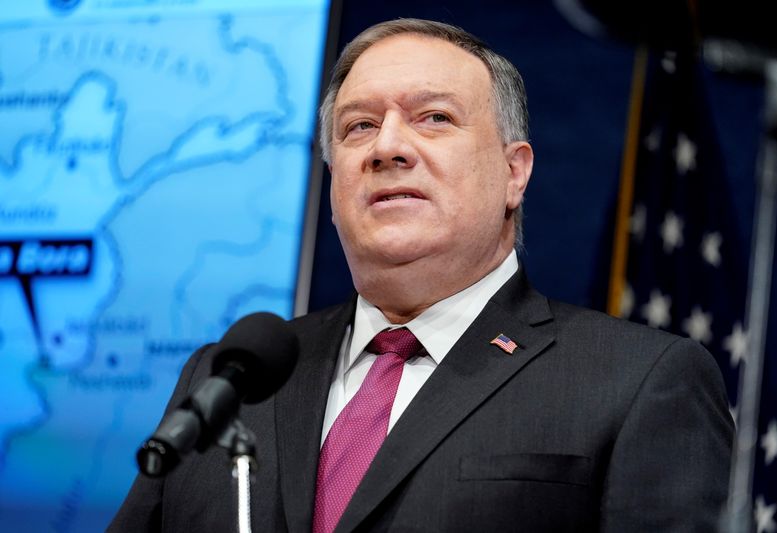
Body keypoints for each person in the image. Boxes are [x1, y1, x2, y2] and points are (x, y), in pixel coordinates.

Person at [109, 18, 733, 532]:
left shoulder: (639, 381)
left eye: (434, 118)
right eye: (358, 127)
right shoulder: (228, 378)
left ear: (515, 173)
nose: (387, 147)